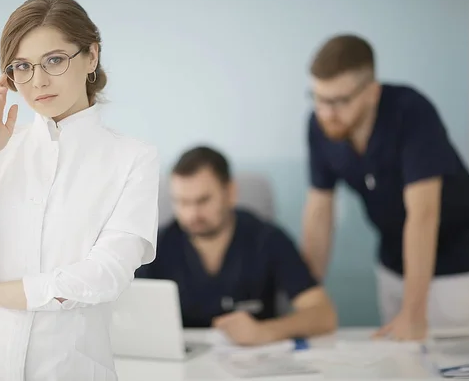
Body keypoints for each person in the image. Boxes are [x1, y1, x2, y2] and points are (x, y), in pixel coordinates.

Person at [0, 0, 159, 381]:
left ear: (91, 56)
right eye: (22, 66)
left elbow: (104, 275)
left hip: (66, 371)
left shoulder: (133, 158)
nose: (37, 80)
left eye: (54, 60)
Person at [301, 34, 469, 341]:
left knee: (434, 355)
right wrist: (307, 297)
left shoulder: (411, 112)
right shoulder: (320, 125)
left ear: (371, 92)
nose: (326, 112)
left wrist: (413, 313)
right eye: (318, 98)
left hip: (453, 254)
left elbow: (423, 214)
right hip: (393, 256)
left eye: (339, 101)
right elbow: (318, 212)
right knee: (397, 356)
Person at [137, 146, 337, 346]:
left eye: (203, 200)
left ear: (230, 192)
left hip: (256, 363)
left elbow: (323, 315)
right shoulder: (156, 246)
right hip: (181, 367)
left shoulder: (267, 239)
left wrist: (264, 332)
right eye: (181, 202)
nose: (192, 214)